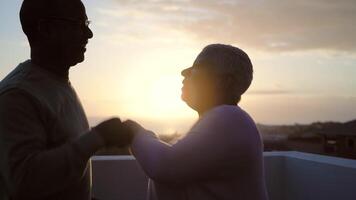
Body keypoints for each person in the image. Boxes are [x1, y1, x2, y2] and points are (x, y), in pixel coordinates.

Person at [0, 0, 132, 199]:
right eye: (78, 24)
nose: (89, 34)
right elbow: (24, 180)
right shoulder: (18, 95)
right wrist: (97, 137)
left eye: (87, 24)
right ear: (46, 29)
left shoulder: (55, 82)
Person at [125, 44, 269, 200]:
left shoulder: (230, 118)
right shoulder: (224, 121)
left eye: (197, 66)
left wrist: (133, 132)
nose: (184, 72)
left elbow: (167, 166)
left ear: (224, 82)